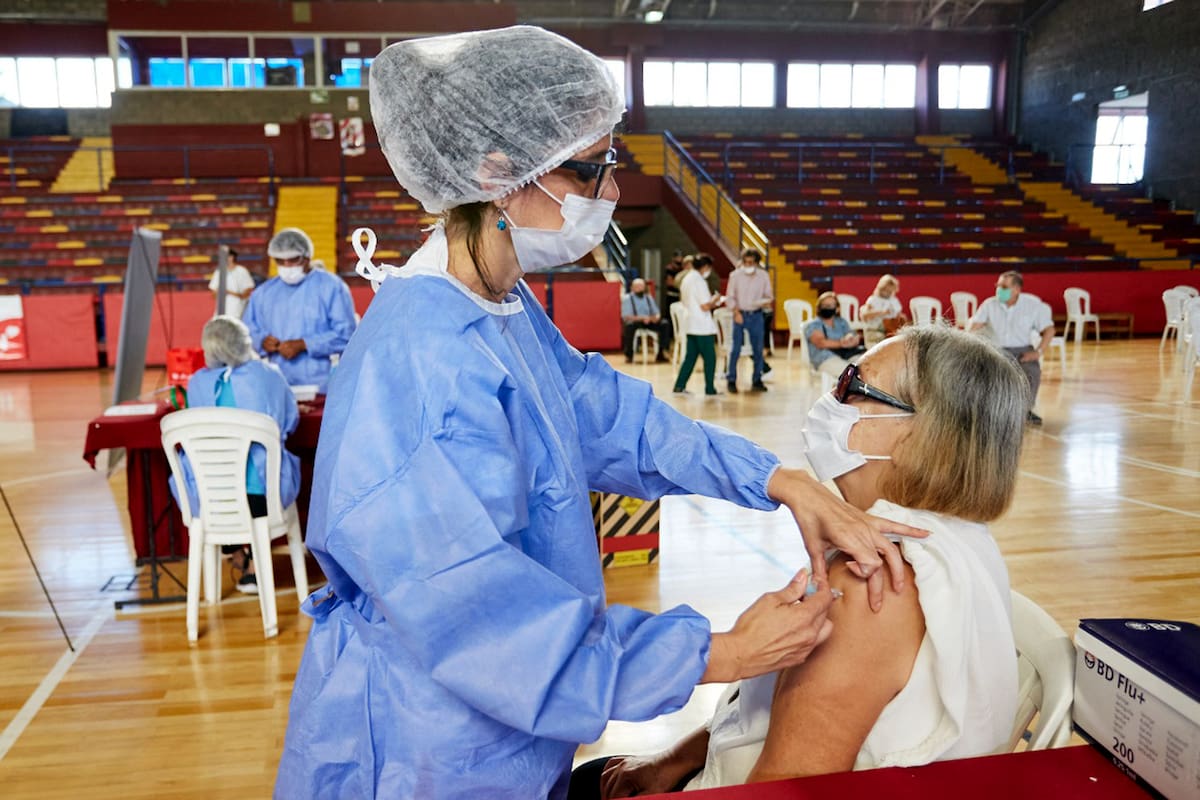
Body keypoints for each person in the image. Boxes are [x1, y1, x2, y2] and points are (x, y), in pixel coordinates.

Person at [274, 26, 924, 800]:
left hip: (507, 734)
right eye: (590, 169)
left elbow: (609, 417)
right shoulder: (420, 358)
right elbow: (479, 618)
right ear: (497, 172)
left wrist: (779, 481)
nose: (609, 194)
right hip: (428, 749)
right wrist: (720, 653)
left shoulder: (499, 308)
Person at [573, 326, 1027, 797]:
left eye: (853, 384)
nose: (832, 396)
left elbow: (783, 786)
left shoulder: (871, 584)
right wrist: (677, 758)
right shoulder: (954, 540)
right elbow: (763, 715)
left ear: (917, 438)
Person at [170, 316, 301, 594]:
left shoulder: (197, 384)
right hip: (263, 497)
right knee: (259, 472)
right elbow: (289, 423)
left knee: (213, 479)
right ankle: (253, 562)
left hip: (211, 500)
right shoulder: (269, 375)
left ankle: (238, 555)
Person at [242, 227, 356, 394]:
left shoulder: (331, 287)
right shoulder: (263, 293)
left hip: (322, 385)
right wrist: (262, 341)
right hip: (278, 384)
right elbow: (246, 332)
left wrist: (304, 344)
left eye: (293, 260)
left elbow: (347, 335)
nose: (287, 266)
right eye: (280, 261)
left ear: (307, 257)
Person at [968, 270, 1054, 426]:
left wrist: (1037, 352)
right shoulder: (989, 304)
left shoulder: (1032, 305)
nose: (999, 289)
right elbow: (974, 328)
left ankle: (1026, 410)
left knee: (1032, 371)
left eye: (1004, 286)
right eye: (998, 285)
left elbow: (1049, 330)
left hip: (1022, 350)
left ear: (1016, 290)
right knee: (988, 374)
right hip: (996, 350)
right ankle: (993, 412)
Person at [673, 253, 723, 396]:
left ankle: (679, 385)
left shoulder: (686, 278)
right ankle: (710, 388)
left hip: (690, 324)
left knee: (690, 357)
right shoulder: (699, 281)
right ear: (706, 267)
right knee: (710, 359)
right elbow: (705, 306)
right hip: (702, 326)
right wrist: (715, 300)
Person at [725, 248, 773, 393]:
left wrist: (763, 302)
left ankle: (757, 379)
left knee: (758, 349)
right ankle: (731, 379)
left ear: (757, 263)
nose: (748, 265)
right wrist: (735, 311)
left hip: (757, 315)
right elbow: (730, 297)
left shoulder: (763, 276)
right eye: (745, 262)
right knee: (736, 349)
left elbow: (769, 296)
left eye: (751, 262)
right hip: (740, 314)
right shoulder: (735, 276)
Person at [804, 291, 865, 379]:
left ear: (837, 308)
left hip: (846, 355)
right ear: (818, 308)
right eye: (824, 305)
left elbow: (852, 334)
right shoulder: (813, 324)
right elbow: (821, 343)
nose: (827, 308)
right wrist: (842, 343)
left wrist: (852, 339)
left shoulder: (841, 322)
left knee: (865, 368)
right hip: (825, 358)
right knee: (849, 374)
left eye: (830, 305)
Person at [621, 277, 671, 363]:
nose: (639, 288)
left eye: (641, 286)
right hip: (636, 321)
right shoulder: (627, 298)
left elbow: (656, 312)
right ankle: (629, 354)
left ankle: (661, 352)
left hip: (649, 321)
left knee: (665, 324)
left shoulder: (648, 297)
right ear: (632, 288)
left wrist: (655, 318)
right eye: (637, 286)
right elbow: (626, 316)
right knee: (629, 326)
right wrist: (643, 318)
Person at [207, 248, 256, 319]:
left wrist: (236, 295)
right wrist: (218, 294)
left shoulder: (242, 271)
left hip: (237, 304)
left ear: (232, 257)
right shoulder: (219, 271)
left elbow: (249, 287)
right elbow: (213, 289)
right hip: (223, 304)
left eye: (228, 256)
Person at [860, 274, 907, 347]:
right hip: (875, 330)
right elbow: (865, 315)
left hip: (890, 330)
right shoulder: (873, 300)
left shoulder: (893, 300)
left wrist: (901, 318)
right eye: (886, 290)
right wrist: (882, 313)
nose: (888, 293)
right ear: (881, 288)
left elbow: (899, 315)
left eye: (890, 291)